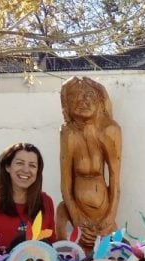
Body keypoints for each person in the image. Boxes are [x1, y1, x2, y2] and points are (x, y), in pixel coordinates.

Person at [57, 76, 122, 251]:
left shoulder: (110, 131)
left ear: (100, 102)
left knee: (110, 258)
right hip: (76, 214)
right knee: (69, 252)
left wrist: (109, 219)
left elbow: (115, 180)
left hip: (104, 215)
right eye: (75, 97)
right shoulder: (69, 134)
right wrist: (77, 219)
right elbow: (65, 184)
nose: (82, 101)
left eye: (89, 96)